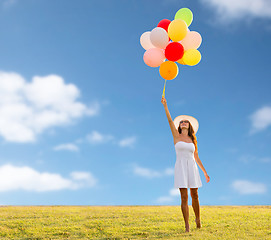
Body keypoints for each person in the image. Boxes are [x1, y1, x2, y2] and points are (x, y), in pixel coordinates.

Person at [161, 96, 210, 232]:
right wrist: (165, 106)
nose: (183, 123)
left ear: (189, 126)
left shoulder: (193, 139)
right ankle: (187, 225)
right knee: (184, 196)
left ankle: (198, 219)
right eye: (181, 121)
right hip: (181, 167)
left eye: (186, 122)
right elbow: (170, 121)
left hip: (192, 167)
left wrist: (204, 172)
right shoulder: (176, 136)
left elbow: (196, 157)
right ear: (179, 125)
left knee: (195, 195)